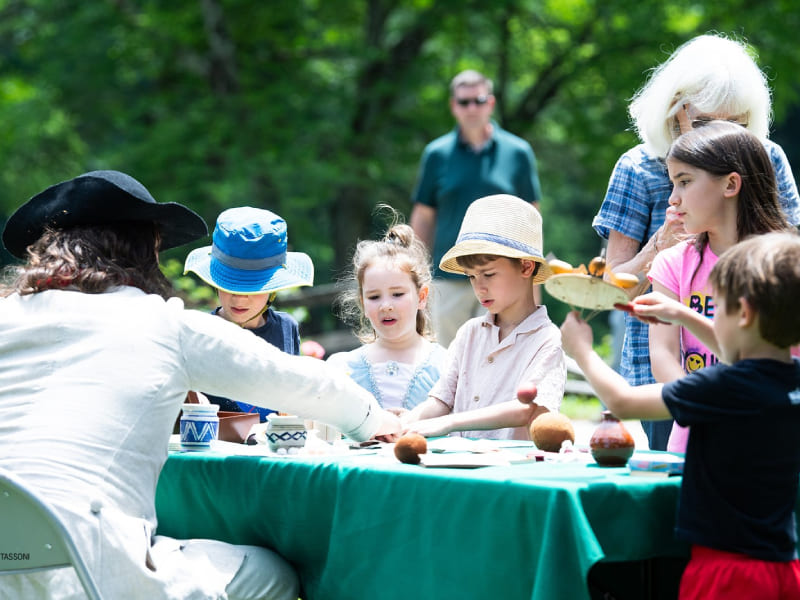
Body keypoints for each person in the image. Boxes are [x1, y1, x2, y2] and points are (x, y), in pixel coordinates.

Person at [0, 170, 400, 600]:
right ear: (141, 252)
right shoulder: (162, 324)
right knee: (274, 572)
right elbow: (298, 382)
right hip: (94, 567)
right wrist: (376, 420)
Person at [557, 231, 800, 600]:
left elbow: (622, 401)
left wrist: (581, 351)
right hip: (784, 569)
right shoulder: (788, 379)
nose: (713, 319)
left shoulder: (724, 388)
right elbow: (746, 358)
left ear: (745, 313)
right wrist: (682, 315)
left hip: (727, 576)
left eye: (717, 310)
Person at [592, 33, 800, 450]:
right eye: (706, 122)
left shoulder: (768, 157)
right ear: (674, 111)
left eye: (736, 123)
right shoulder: (637, 167)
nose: (723, 133)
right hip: (665, 369)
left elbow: (788, 258)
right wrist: (659, 245)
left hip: (762, 369)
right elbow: (610, 289)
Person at [646, 121, 792, 453]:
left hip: (771, 439)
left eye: (684, 182)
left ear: (730, 184)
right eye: (672, 184)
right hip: (695, 437)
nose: (673, 198)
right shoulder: (671, 262)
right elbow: (663, 354)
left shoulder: (785, 262)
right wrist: (702, 406)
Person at [402, 194, 565, 440]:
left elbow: (526, 408)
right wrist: (400, 424)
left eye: (488, 274)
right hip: (460, 466)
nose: (479, 288)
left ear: (525, 267)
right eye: (471, 276)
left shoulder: (547, 339)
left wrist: (450, 423)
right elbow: (441, 400)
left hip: (510, 472)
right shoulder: (469, 332)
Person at [409, 68, 543, 347]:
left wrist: (533, 280)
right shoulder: (437, 154)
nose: (471, 108)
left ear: (490, 103)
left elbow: (531, 219)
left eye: (478, 101)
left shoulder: (517, 152)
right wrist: (413, 272)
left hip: (505, 276)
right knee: (448, 360)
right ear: (453, 106)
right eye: (464, 102)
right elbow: (423, 216)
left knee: (503, 353)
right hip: (449, 277)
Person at [184, 206, 313, 421]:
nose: (240, 298)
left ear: (273, 289)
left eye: (253, 288)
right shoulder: (199, 330)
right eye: (229, 286)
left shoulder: (286, 328)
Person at [327, 216, 447, 412]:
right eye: (374, 297)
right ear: (363, 303)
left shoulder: (446, 366)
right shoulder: (343, 368)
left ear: (422, 296)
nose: (386, 306)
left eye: (397, 294)